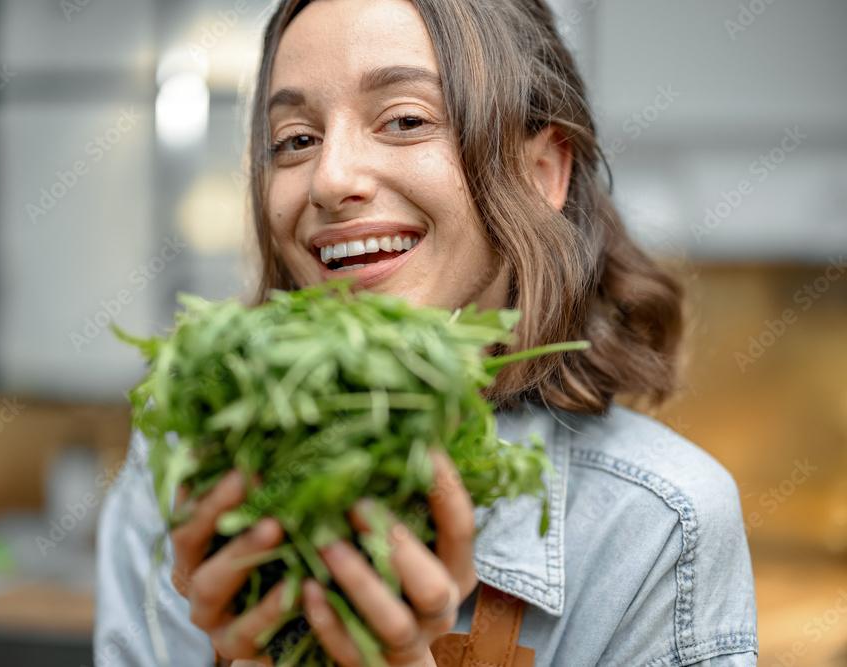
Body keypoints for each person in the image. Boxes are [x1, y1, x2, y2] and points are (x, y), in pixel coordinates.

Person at [94, 0, 758, 664]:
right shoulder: (183, 464)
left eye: (405, 120)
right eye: (296, 138)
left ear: (541, 172)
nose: (330, 179)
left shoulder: (657, 524)